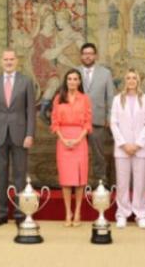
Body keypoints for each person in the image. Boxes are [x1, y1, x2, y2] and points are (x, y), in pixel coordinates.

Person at [0, 49, 36, 226]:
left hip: (20, 135)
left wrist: (30, 133)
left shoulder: (26, 81)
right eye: (5, 59)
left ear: (17, 61)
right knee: (1, 175)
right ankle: (2, 213)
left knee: (20, 175)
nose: (8, 62)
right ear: (1, 61)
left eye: (11, 59)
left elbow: (31, 111)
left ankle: (20, 214)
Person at [110, 69, 145, 229]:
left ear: (138, 80)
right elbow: (114, 123)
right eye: (128, 78)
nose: (131, 80)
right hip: (122, 148)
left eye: (134, 78)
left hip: (140, 149)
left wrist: (137, 144)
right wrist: (123, 144)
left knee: (140, 182)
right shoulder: (117, 99)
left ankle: (141, 214)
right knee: (122, 183)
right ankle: (122, 213)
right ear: (125, 81)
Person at [50, 69, 92, 227]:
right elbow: (54, 122)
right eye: (70, 79)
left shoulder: (85, 99)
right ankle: (68, 212)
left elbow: (88, 122)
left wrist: (78, 139)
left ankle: (78, 211)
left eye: (75, 79)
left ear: (79, 82)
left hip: (80, 139)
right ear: (66, 81)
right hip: (63, 140)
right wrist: (64, 139)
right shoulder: (58, 99)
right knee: (66, 180)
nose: (72, 81)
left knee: (80, 180)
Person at [79, 43, 116, 184]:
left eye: (90, 53)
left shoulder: (105, 73)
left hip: (98, 120)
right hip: (77, 121)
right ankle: (79, 181)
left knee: (98, 154)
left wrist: (109, 117)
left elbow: (111, 97)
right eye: (85, 53)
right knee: (78, 154)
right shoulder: (74, 72)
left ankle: (101, 182)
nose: (88, 56)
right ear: (81, 56)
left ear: (95, 56)